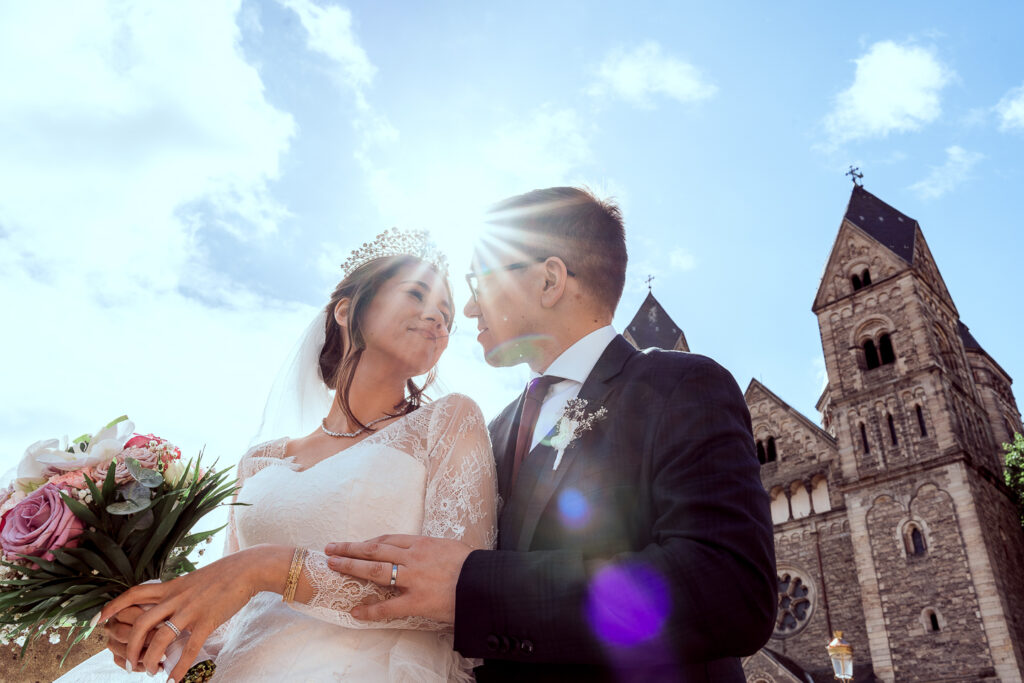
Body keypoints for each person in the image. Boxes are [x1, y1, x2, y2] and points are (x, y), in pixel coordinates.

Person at [324, 188, 777, 681]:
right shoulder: (488, 431)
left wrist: (475, 585)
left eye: (479, 282)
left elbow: (728, 589)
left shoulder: (681, 386)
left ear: (549, 280)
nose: (470, 309)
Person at [65, 230, 497, 682]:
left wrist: (271, 567)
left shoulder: (448, 422)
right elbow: (231, 618)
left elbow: (456, 598)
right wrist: (166, 625)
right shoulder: (260, 463)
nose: (438, 319)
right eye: (416, 293)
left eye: (448, 315)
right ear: (346, 310)